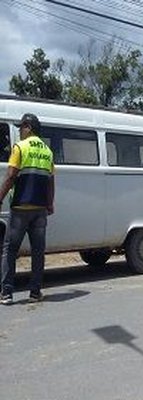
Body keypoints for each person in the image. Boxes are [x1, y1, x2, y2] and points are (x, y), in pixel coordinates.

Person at [0, 113, 55, 305]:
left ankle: (6, 293)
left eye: (21, 127)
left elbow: (11, 176)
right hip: (40, 209)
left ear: (28, 127)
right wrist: (50, 203)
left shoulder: (20, 147)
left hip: (21, 207)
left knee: (10, 250)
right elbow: (50, 181)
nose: (20, 131)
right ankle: (35, 292)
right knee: (38, 251)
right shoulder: (48, 151)